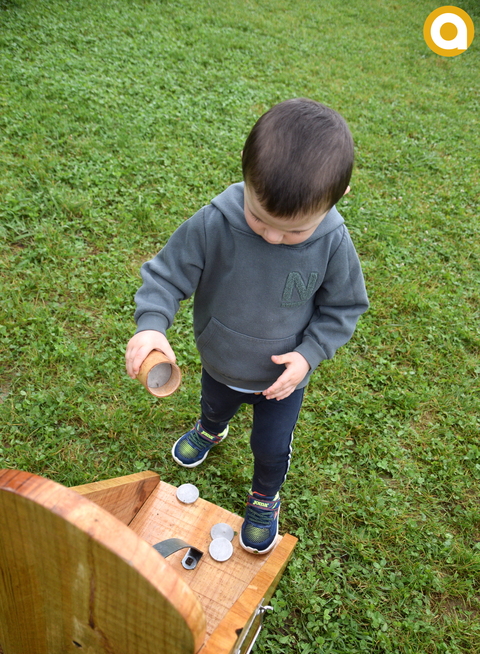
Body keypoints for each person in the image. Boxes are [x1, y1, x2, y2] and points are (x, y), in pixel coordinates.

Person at [125, 98, 369, 554]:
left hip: (282, 382)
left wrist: (309, 355)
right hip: (221, 361)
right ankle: (211, 429)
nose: (273, 237)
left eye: (293, 232)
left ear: (339, 197)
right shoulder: (214, 223)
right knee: (214, 406)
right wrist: (152, 324)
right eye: (259, 217)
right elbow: (166, 276)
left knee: (271, 447)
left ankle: (264, 497)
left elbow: (344, 307)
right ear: (246, 174)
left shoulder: (333, 243)